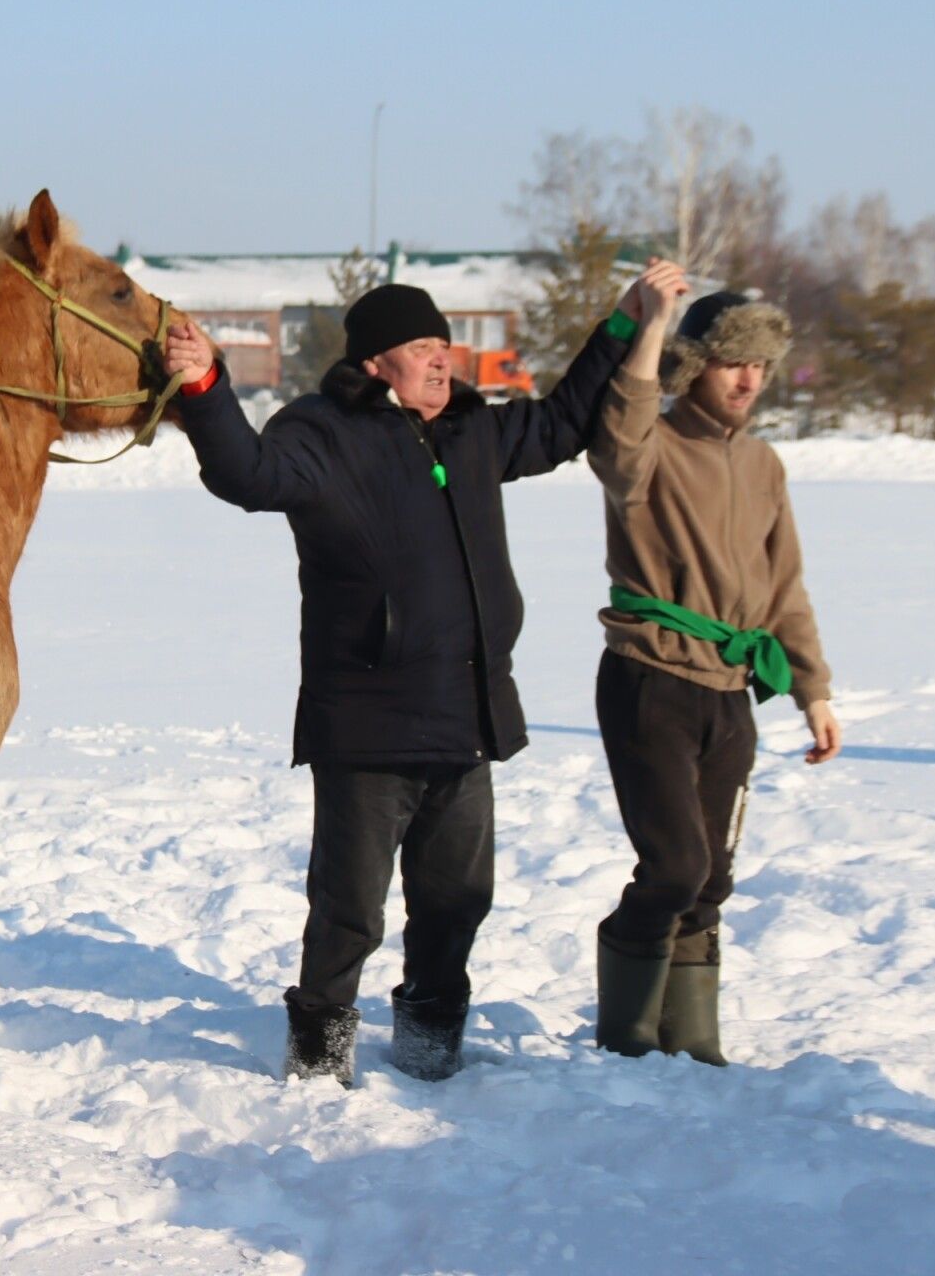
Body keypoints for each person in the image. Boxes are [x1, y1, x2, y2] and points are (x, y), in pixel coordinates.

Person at [165, 267, 672, 1086]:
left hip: (465, 715)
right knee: (348, 912)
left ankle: (432, 1049)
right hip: (368, 721)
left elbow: (570, 419)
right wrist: (205, 386)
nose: (442, 361)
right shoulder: (323, 432)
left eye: (443, 345)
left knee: (456, 901)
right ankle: (320, 1059)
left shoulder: (474, 431)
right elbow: (246, 476)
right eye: (419, 348)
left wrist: (621, 324)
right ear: (374, 364)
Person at [586, 284, 841, 1066]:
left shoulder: (764, 465)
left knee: (712, 878)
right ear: (695, 366)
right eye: (733, 361)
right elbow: (616, 435)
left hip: (731, 689)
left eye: (760, 365)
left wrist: (813, 690)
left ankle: (690, 1040)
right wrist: (655, 329)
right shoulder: (650, 448)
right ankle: (626, 1033)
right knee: (674, 865)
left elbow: (785, 585)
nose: (748, 380)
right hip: (651, 678)